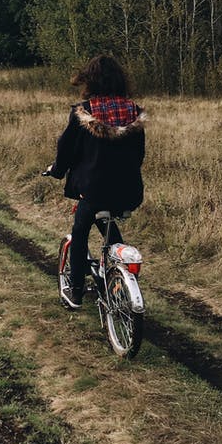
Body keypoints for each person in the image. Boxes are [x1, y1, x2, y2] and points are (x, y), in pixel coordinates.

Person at [46, 55, 146, 309]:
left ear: (89, 81)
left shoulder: (84, 112)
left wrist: (57, 171)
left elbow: (65, 150)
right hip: (130, 191)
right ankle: (118, 275)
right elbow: (139, 155)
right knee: (108, 221)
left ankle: (76, 291)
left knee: (80, 231)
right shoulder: (133, 111)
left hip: (94, 190)